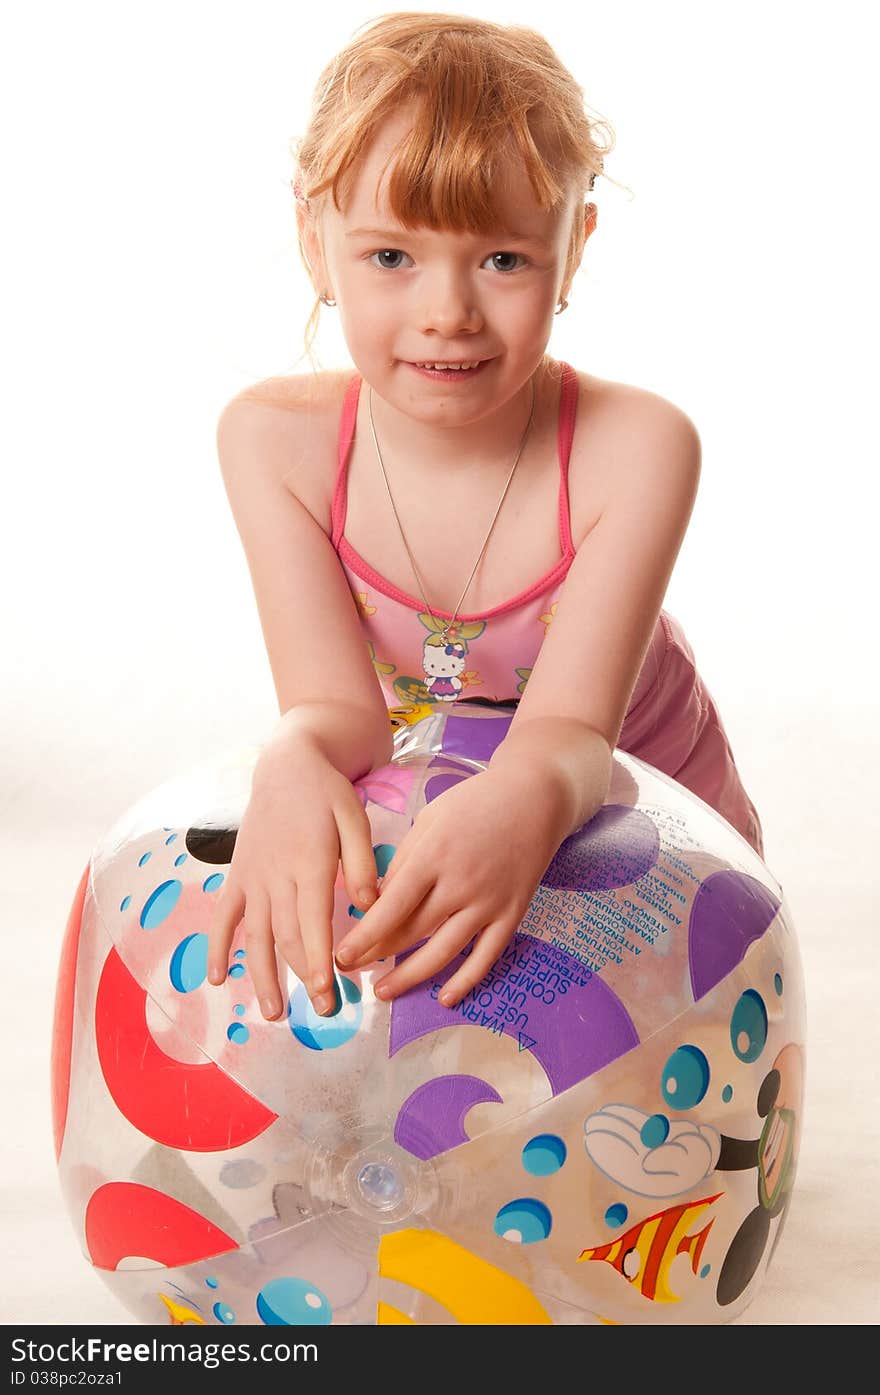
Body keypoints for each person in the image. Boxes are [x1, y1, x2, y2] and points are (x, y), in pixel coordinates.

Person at [206, 11, 764, 1027]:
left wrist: (520, 796)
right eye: (389, 257)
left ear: (574, 245)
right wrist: (292, 756)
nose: (449, 311)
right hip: (441, 777)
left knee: (617, 1035)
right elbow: (343, 714)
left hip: (627, 798)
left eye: (503, 260)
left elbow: (566, 736)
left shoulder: (636, 446)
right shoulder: (269, 441)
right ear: (312, 240)